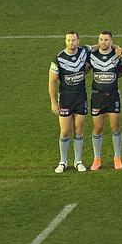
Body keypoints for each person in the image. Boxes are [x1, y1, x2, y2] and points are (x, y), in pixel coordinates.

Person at [48, 30, 89, 174]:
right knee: (65, 131)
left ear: (78, 40)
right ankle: (63, 161)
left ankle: (78, 161)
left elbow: (100, 46)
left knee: (79, 129)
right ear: (65, 41)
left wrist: (116, 47)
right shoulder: (58, 59)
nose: (71, 43)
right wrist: (53, 102)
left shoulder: (85, 51)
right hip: (65, 99)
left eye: (73, 40)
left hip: (80, 98)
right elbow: (52, 81)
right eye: (68, 40)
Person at [88, 31, 122, 170]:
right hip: (97, 97)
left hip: (113, 95)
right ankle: (97, 159)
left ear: (111, 41)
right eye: (101, 39)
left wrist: (113, 76)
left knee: (115, 127)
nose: (103, 42)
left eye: (106, 40)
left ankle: (117, 157)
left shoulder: (117, 55)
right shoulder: (92, 55)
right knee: (98, 128)